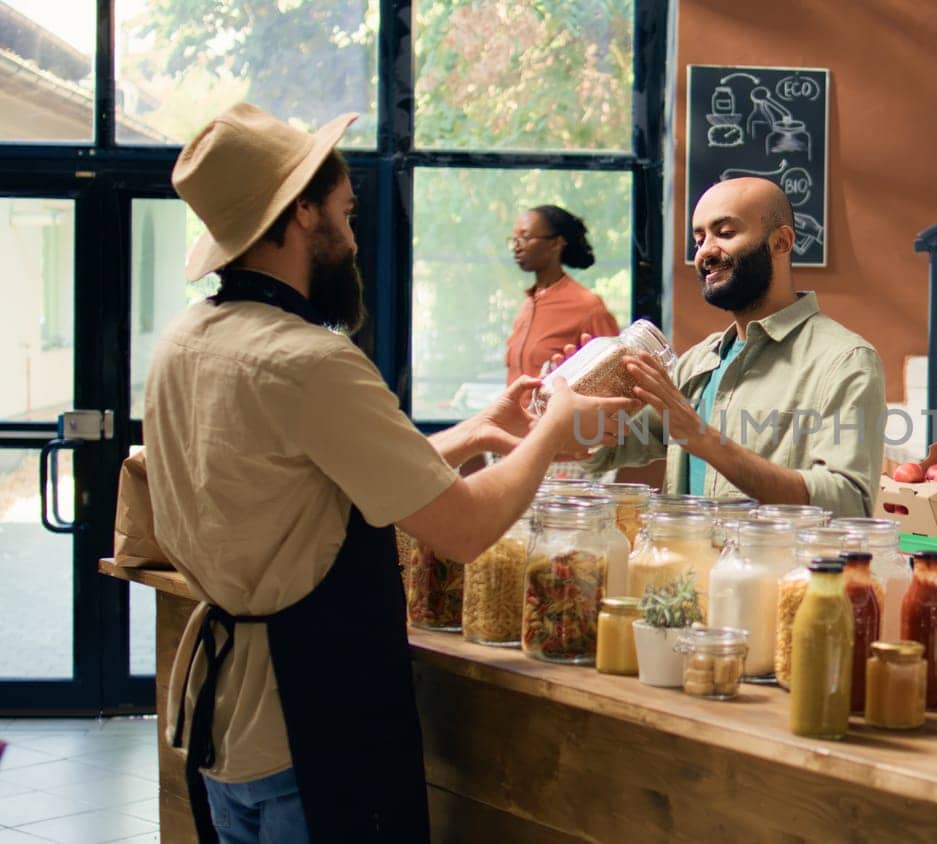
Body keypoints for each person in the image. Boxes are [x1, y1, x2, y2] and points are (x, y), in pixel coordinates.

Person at [140, 103, 629, 843]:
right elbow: (463, 529)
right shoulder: (310, 361)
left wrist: (475, 433)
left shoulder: (185, 341)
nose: (355, 236)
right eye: (347, 211)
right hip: (311, 727)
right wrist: (555, 428)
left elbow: (306, 491)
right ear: (304, 215)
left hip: (224, 727)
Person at [581, 177, 887, 516]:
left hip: (778, 569)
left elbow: (848, 505)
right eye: (699, 240)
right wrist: (584, 397)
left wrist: (704, 439)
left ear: (781, 243)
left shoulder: (844, 361)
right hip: (686, 566)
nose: (705, 252)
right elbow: (602, 450)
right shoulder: (697, 362)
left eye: (725, 233)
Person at [504, 204, 620, 384]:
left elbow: (615, 377)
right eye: (514, 239)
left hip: (558, 412)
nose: (516, 247)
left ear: (556, 243)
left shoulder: (587, 306)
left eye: (525, 237)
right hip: (516, 412)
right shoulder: (528, 305)